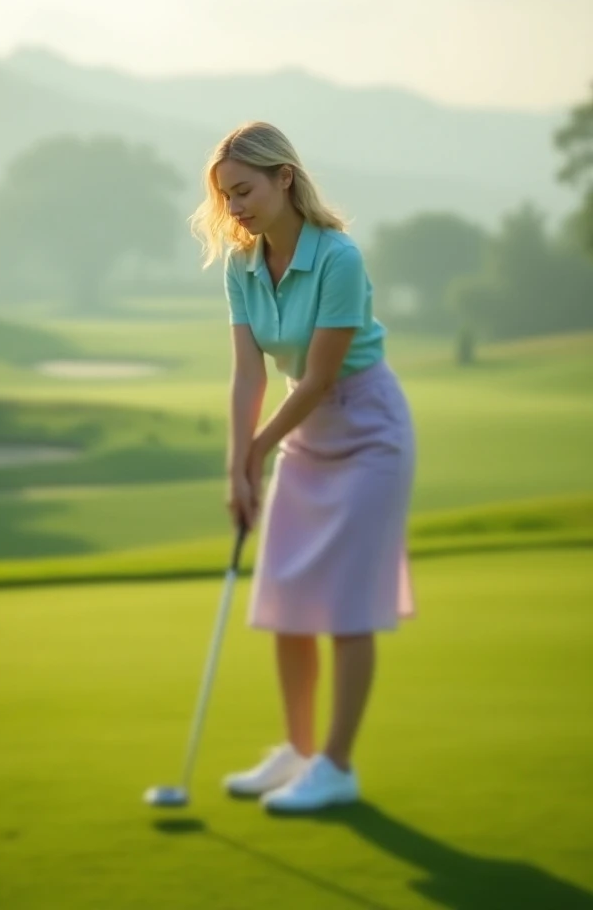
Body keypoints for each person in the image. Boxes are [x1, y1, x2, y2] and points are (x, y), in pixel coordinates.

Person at [189, 121, 417, 813]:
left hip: (368, 432)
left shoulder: (339, 258)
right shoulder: (241, 263)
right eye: (226, 197)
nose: (236, 208)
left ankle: (337, 767)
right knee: (288, 601)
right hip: (302, 434)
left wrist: (260, 450)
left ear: (284, 178)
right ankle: (298, 749)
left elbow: (318, 378)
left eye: (245, 190)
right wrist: (237, 464)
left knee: (347, 610)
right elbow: (245, 373)